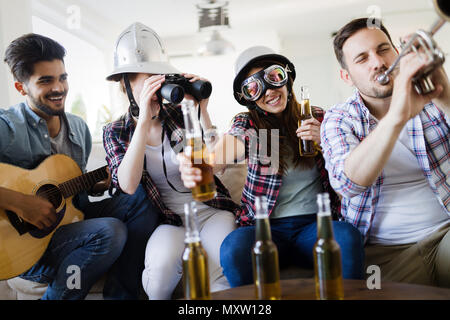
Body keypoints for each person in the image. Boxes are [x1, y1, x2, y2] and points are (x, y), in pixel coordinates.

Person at [178, 46, 365, 288]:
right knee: (233, 247)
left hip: (316, 226)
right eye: (254, 88)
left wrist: (326, 140)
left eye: (274, 77)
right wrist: (200, 164)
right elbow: (217, 160)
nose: (269, 91)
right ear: (248, 98)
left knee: (348, 238)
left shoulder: (318, 117)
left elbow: (352, 171)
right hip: (265, 228)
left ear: (287, 78)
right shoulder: (250, 125)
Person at [1, 33, 158, 300]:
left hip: (69, 223)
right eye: (45, 80)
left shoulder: (78, 127)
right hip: (24, 244)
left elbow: (71, 195)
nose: (59, 88)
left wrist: (94, 184)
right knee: (109, 231)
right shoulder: (6, 127)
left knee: (138, 197)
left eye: (62, 77)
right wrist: (20, 202)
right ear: (21, 88)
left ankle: (121, 295)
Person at [103, 22, 240, 300]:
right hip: (171, 221)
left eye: (159, 77)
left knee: (223, 278)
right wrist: (142, 121)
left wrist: (201, 110)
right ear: (125, 86)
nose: (156, 87)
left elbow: (219, 163)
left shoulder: (179, 115)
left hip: (211, 212)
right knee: (159, 277)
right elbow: (127, 184)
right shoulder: (116, 132)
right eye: (147, 80)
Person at [321, 18, 450, 287]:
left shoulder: (431, 99)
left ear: (397, 53)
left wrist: (445, 94)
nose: (378, 63)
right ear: (347, 76)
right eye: (362, 58)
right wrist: (397, 117)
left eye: (383, 49)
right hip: (384, 253)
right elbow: (347, 184)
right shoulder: (338, 119)